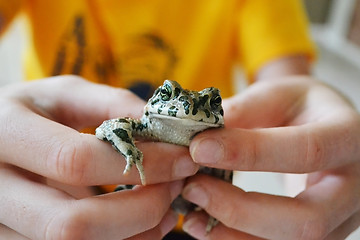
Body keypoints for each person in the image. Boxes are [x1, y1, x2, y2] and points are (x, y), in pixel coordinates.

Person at [1, 0, 359, 239]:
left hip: (190, 219)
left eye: (208, 102)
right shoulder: (142, 123)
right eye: (172, 97)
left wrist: (317, 145)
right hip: (57, 191)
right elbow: (111, 126)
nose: (187, 107)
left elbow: (289, 94)